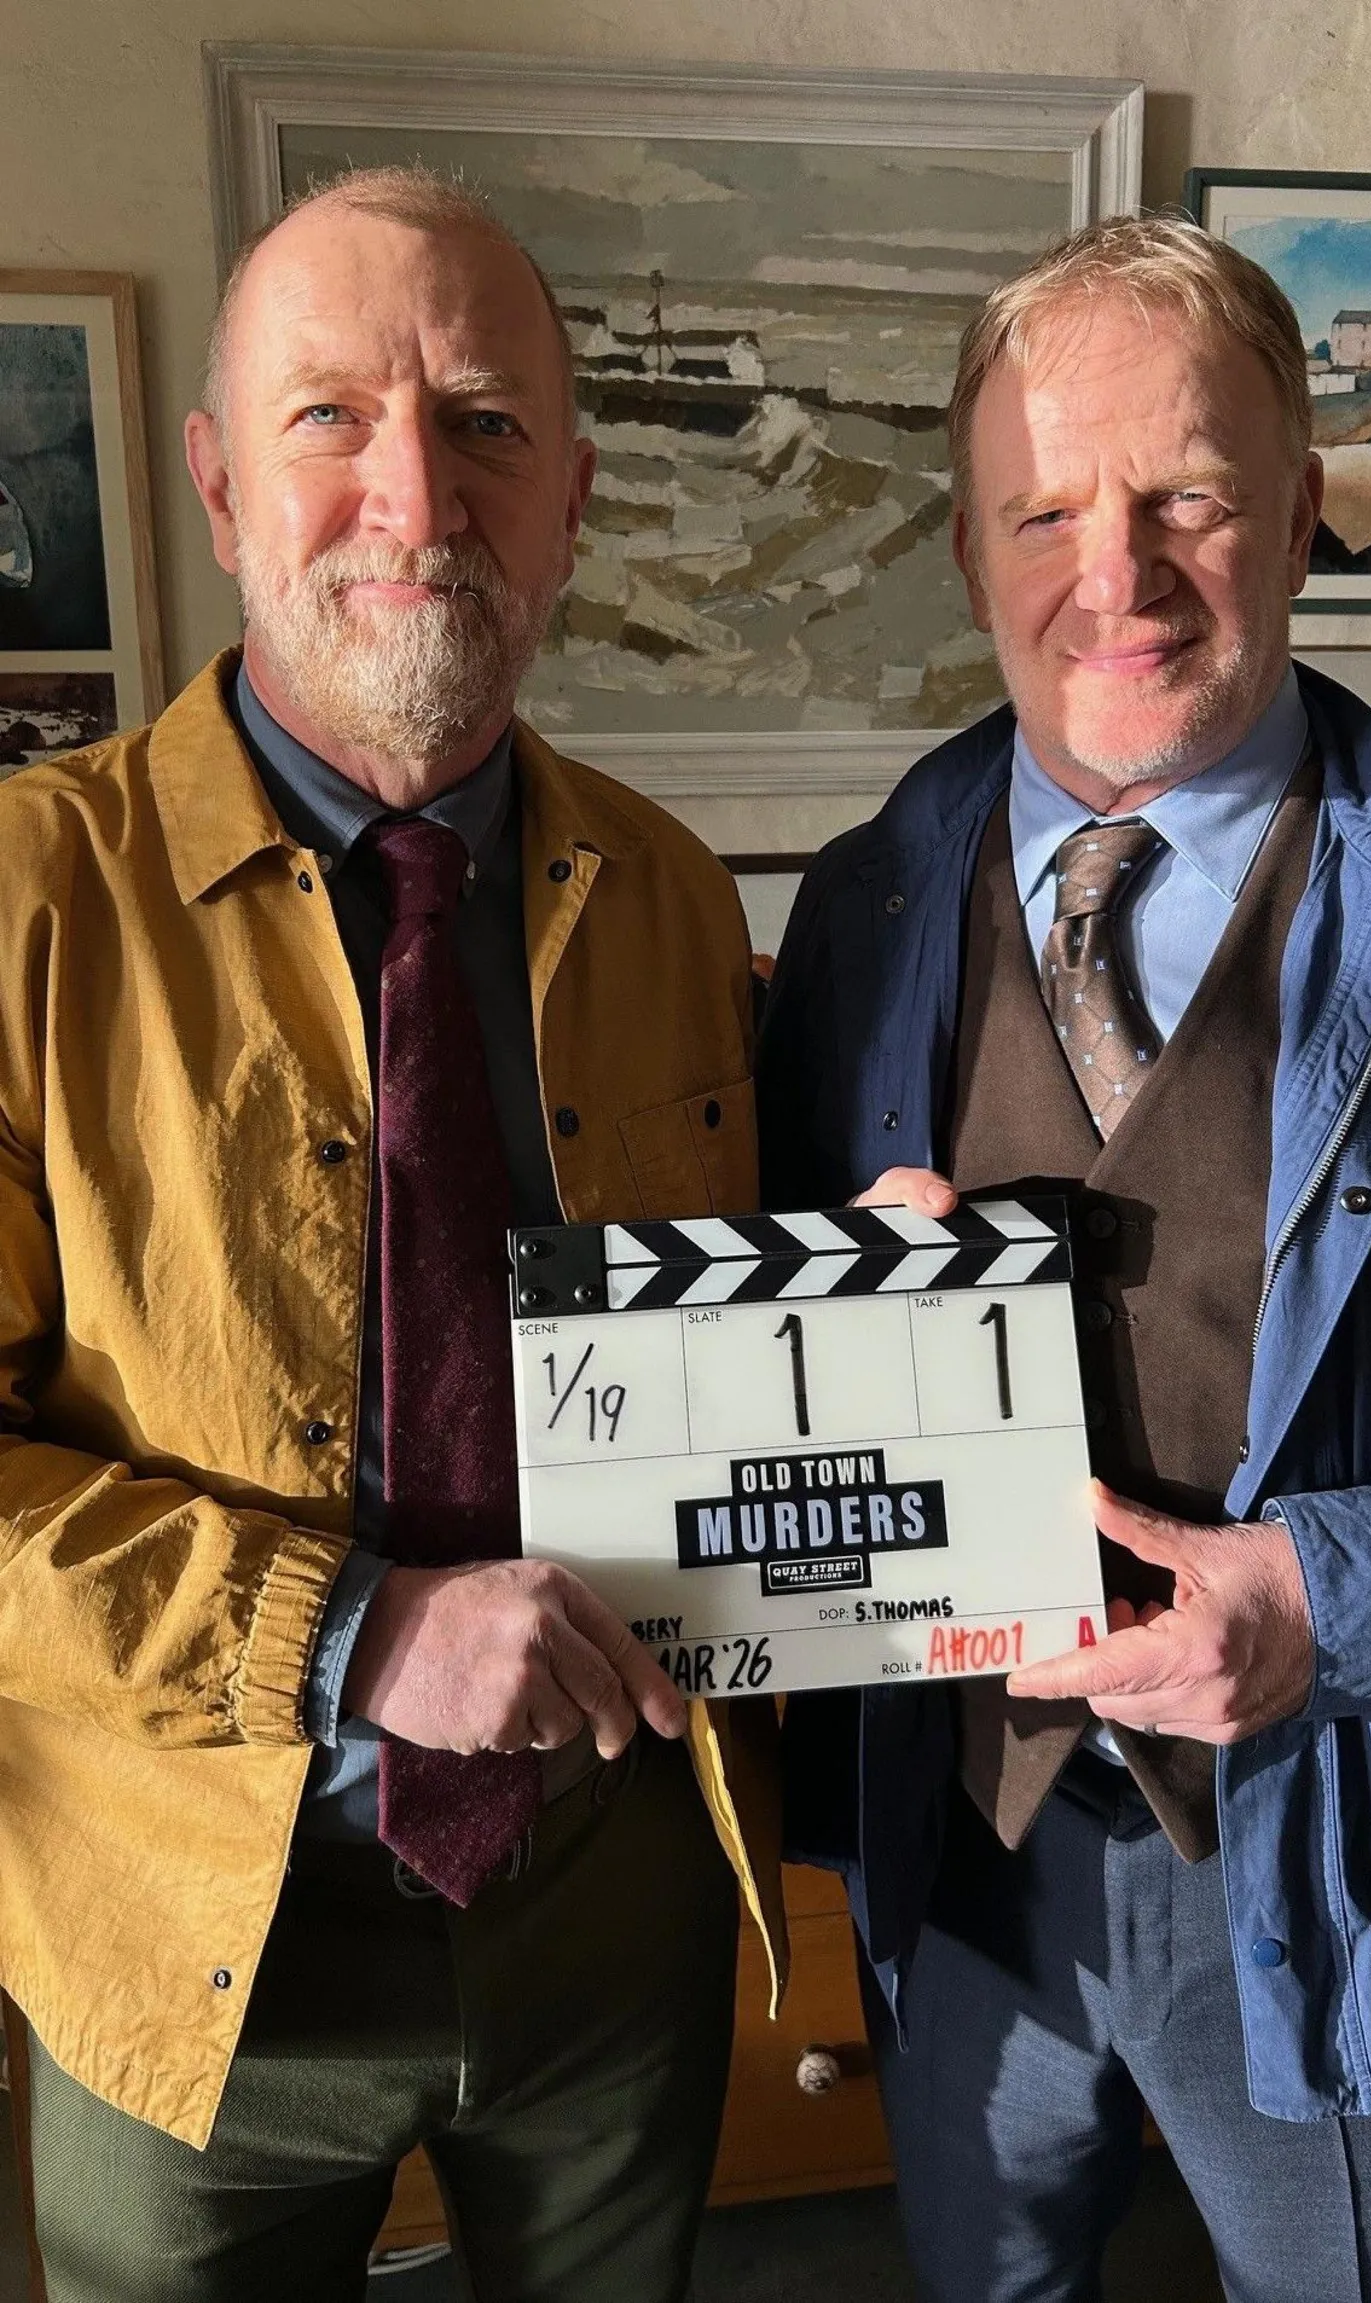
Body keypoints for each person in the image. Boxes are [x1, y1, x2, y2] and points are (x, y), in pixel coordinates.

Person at [0, 164, 782, 2303]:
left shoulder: (673, 892)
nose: (417, 496)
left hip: (611, 1904)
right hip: (193, 1937)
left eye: (487, 423)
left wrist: (885, 1271)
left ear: (574, 498)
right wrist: (355, 1632)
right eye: (331, 415)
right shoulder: (25, 901)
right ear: (217, 483)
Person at [757, 214, 1371, 2303]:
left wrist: (1333, 1593)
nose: (1117, 574)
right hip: (967, 1859)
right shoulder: (857, 912)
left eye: (1187, 495)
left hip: (1357, 1854)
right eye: (1045, 512)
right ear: (968, 550)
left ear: (1301, 513)